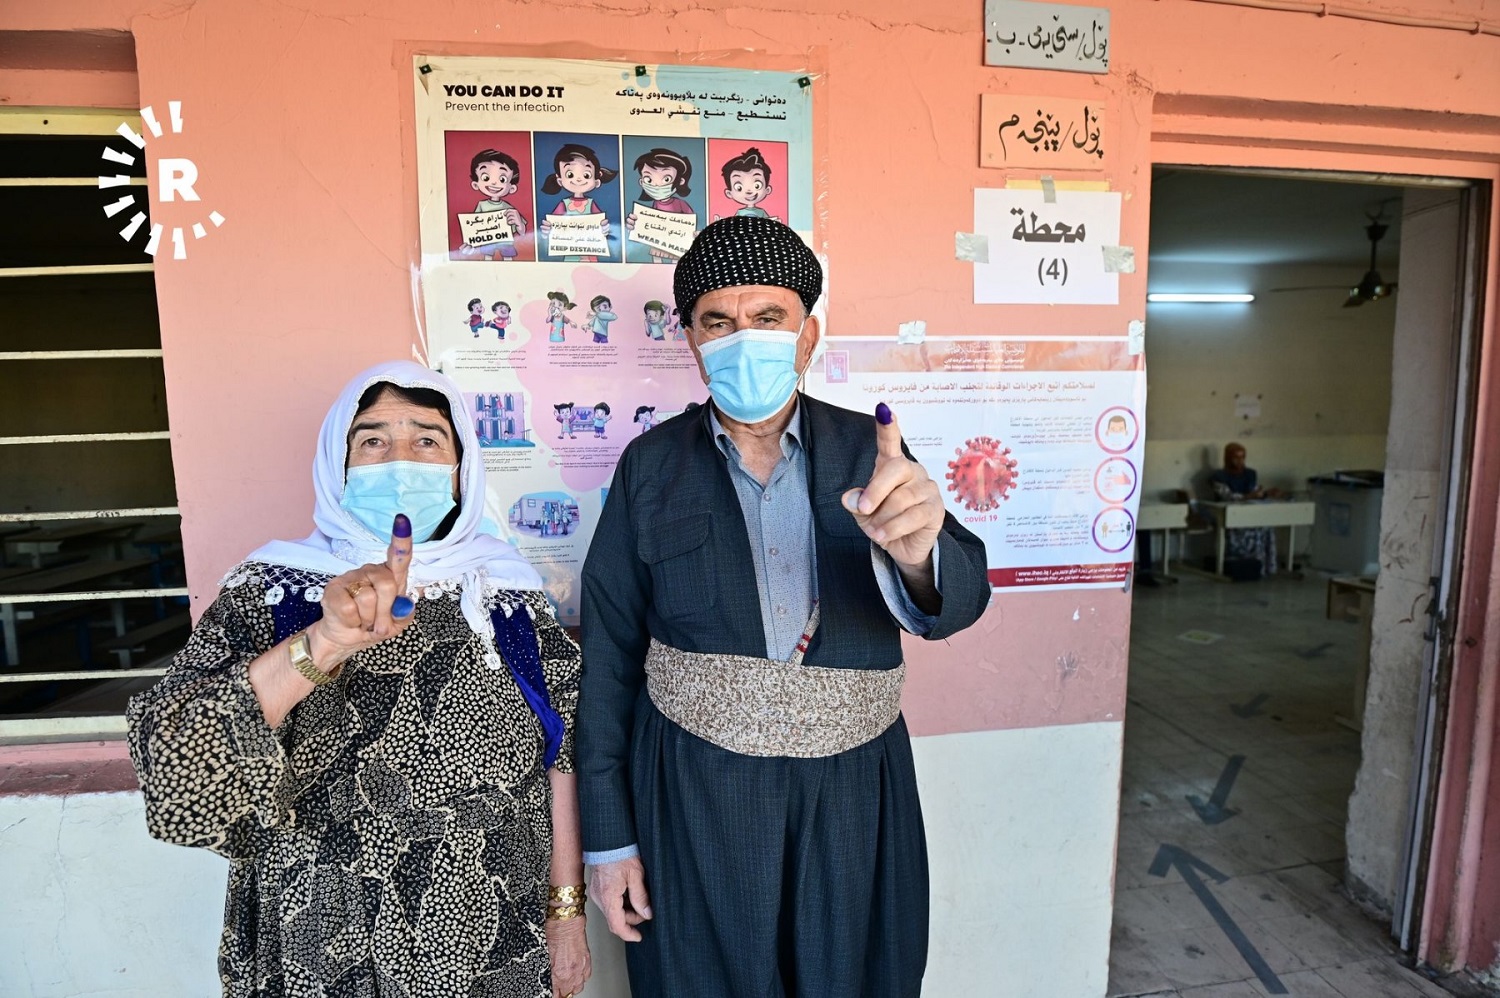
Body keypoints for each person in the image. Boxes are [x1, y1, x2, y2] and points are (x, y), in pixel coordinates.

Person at [576, 216, 991, 997]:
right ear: (691, 341)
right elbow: (608, 660)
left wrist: (919, 557)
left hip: (855, 790)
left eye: (768, 317)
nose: (744, 339)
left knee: (857, 978)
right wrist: (608, 840)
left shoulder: (872, 451)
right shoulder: (650, 467)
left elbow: (963, 593)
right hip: (693, 793)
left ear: (808, 336)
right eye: (718, 322)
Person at [126, 360, 591, 998]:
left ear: (462, 468)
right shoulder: (271, 590)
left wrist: (565, 913)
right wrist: (324, 640)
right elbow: (178, 773)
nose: (400, 459)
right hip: (321, 939)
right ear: (338, 464)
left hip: (490, 934)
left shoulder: (507, 596)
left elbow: (560, 755)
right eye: (372, 440)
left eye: (427, 439)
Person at [1209, 441, 1280, 576]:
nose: (1240, 461)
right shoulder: (1218, 477)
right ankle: (1240, 566)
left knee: (1266, 525)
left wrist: (1266, 493)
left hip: (1251, 513)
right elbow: (1227, 496)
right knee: (1243, 530)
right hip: (1229, 514)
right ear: (1228, 458)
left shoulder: (1250, 474)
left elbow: (1255, 492)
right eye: (1236, 457)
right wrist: (1249, 496)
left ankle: (1261, 567)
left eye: (1242, 457)